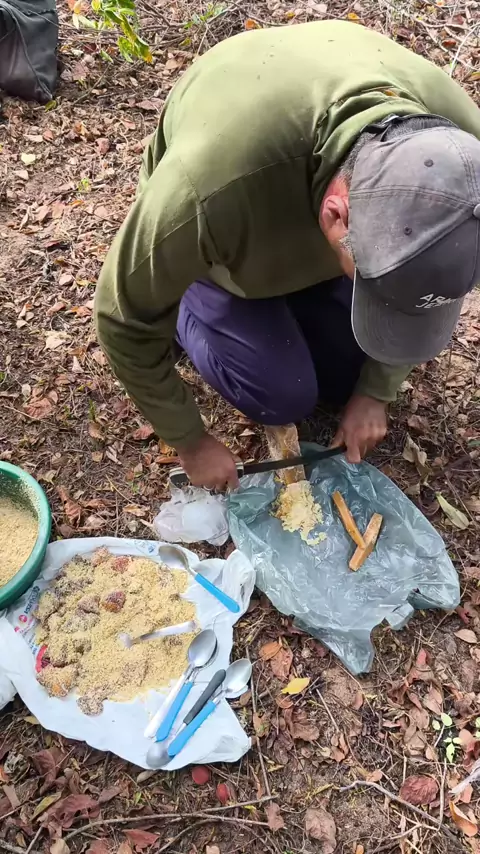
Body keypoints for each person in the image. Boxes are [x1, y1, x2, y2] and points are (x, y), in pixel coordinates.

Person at [95, 20, 480, 491]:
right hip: (228, 242)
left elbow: (432, 280)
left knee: (352, 371)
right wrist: (190, 441)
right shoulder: (207, 192)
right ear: (337, 216)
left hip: (304, 214)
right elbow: (121, 317)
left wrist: (376, 391)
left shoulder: (464, 161)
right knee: (282, 394)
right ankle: (190, 308)